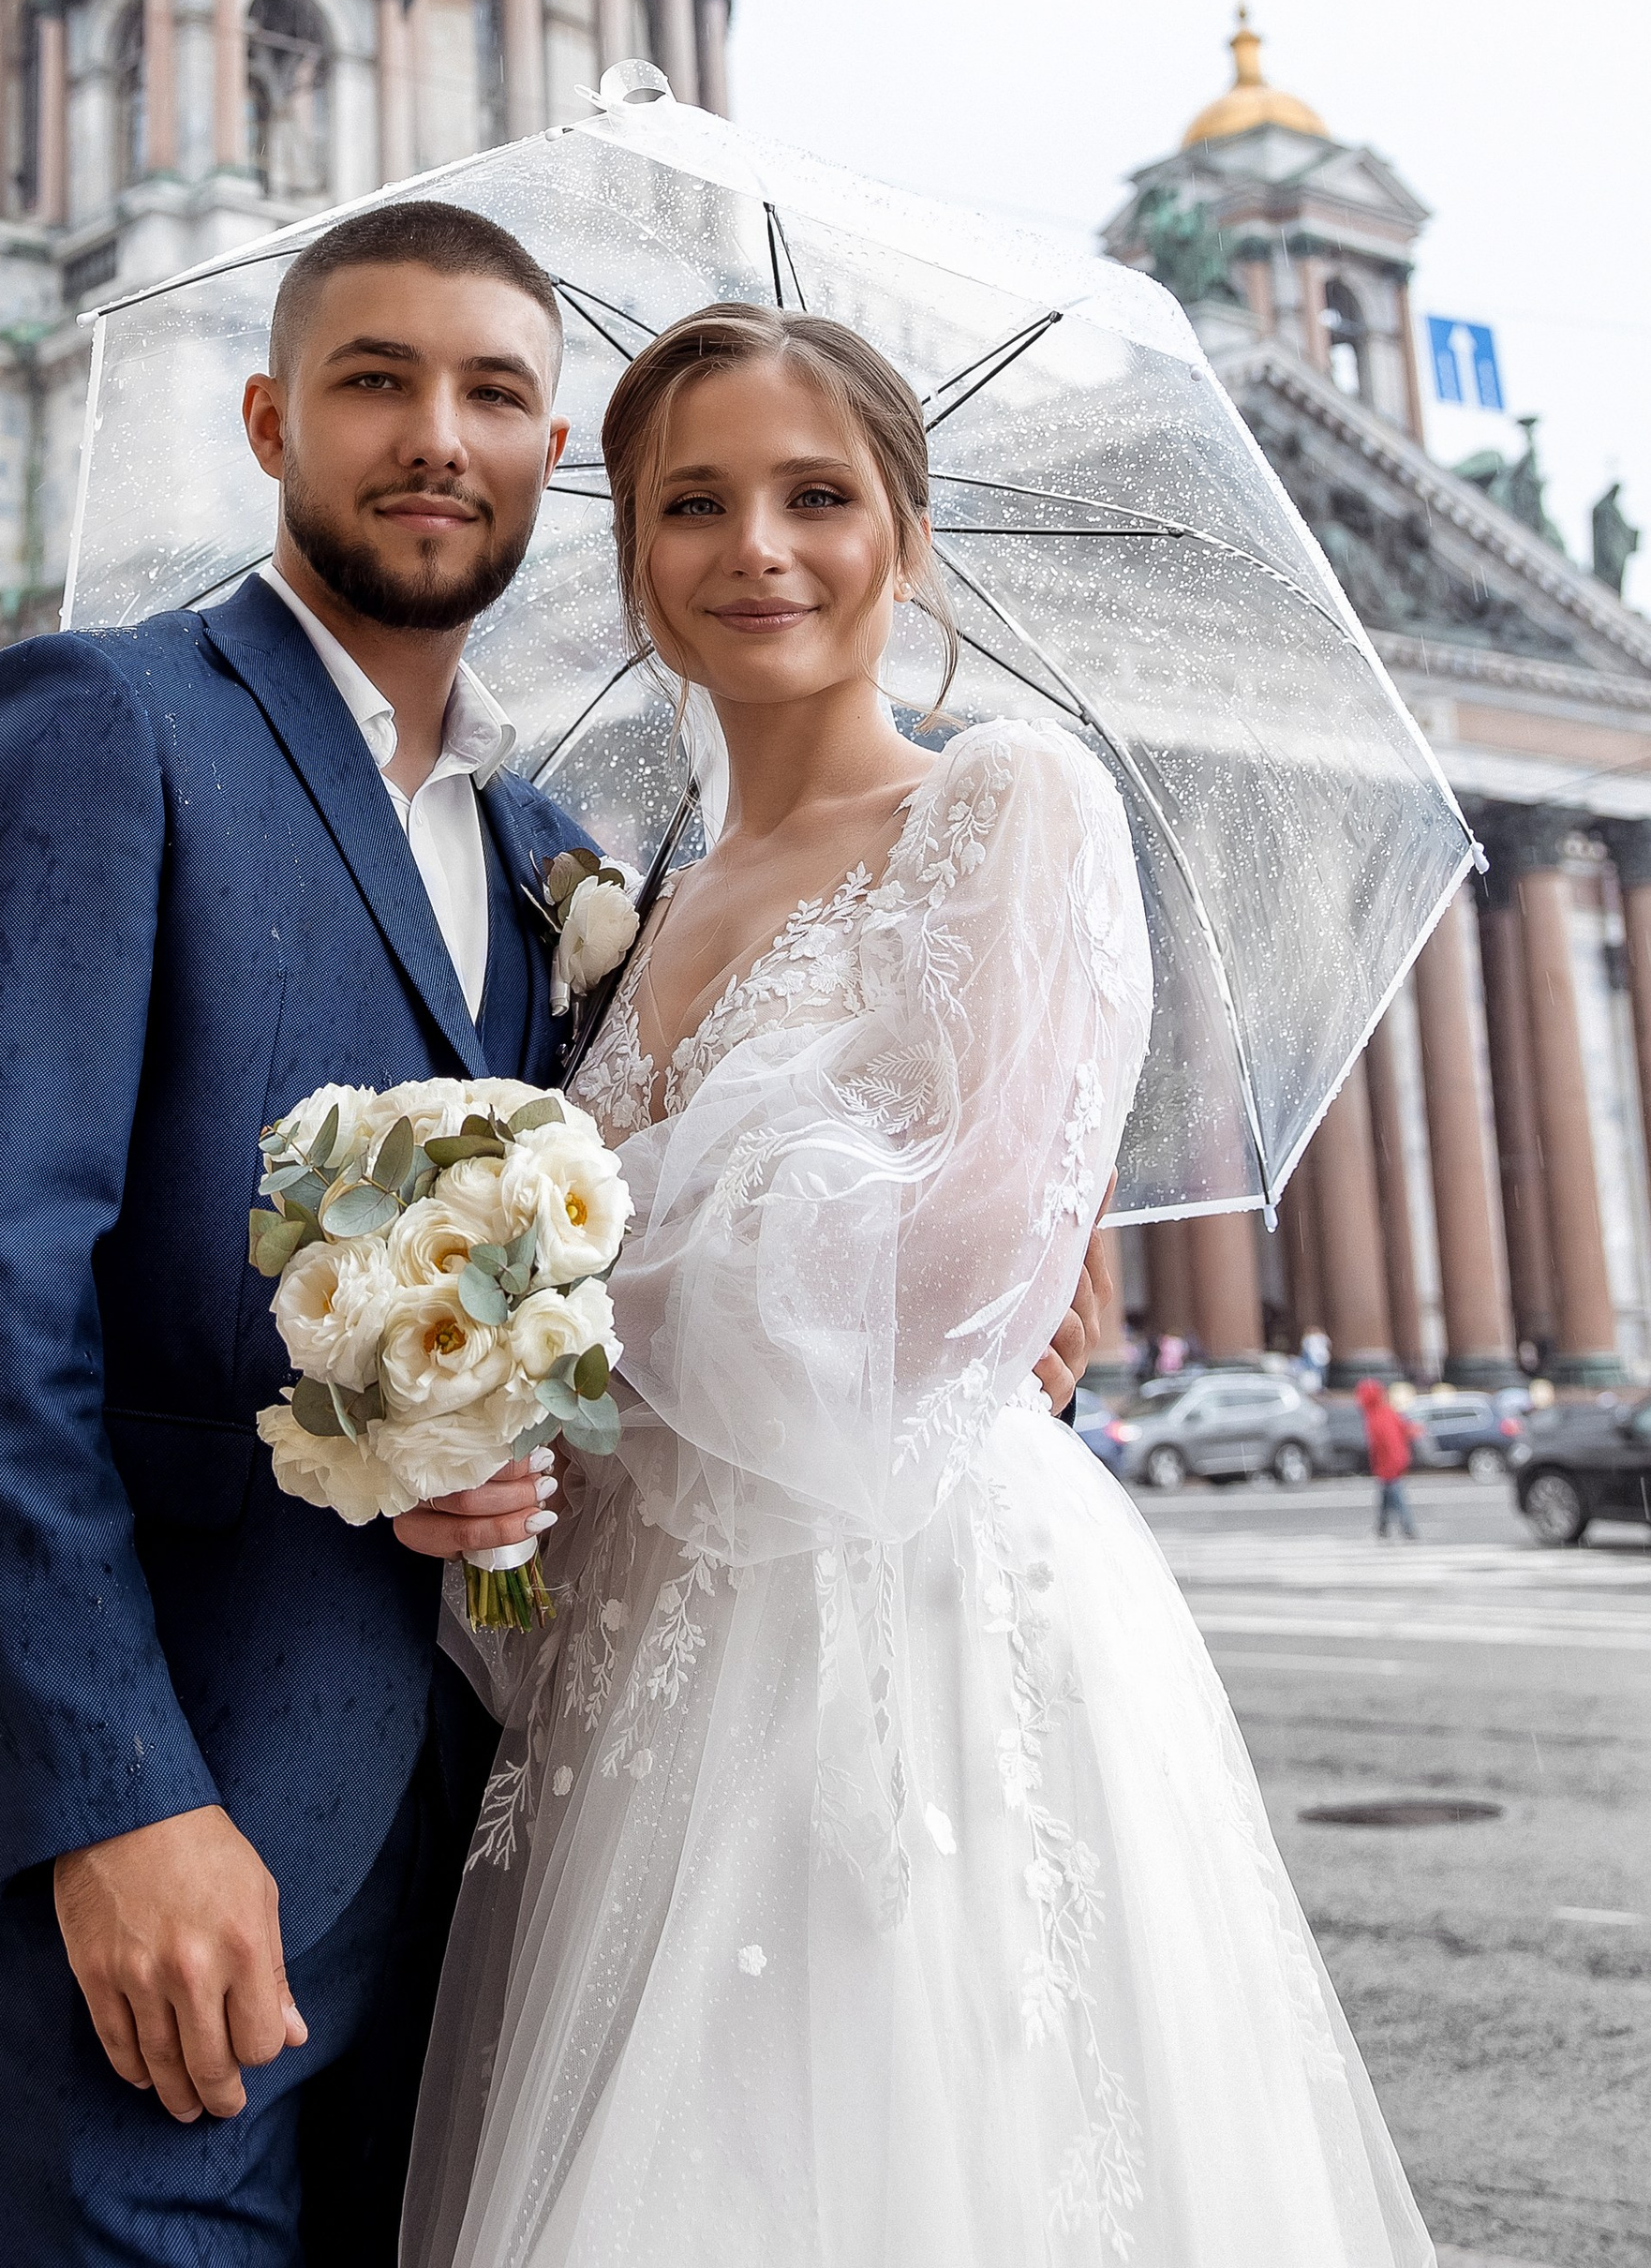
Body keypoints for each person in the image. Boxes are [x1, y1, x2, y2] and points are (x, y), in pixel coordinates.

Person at [0, 209, 1107, 2268]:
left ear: (545, 467)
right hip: (174, 1835)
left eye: (496, 393)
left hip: (497, 1843)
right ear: (268, 419)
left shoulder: (559, 868)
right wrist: (107, 1798)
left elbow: (609, 1253)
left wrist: (989, 1251)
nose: (437, 437)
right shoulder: (100, 724)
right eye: (374, 381)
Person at [407, 304, 1432, 2268]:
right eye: (690, 503)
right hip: (642, 1639)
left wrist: (565, 1287)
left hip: (906, 1609)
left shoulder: (1000, 800)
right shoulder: (620, 900)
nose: (754, 550)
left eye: (814, 494)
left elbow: (965, 1260)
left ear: (905, 528)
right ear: (631, 554)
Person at [1358, 1376, 1419, 1542]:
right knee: (1385, 1497)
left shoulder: (1378, 1416)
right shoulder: (1384, 1412)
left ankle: (1407, 1529)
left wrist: (1391, 1464)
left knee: (1396, 1497)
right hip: (1391, 1463)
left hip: (1390, 1464)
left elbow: (1387, 1443)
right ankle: (1382, 1528)